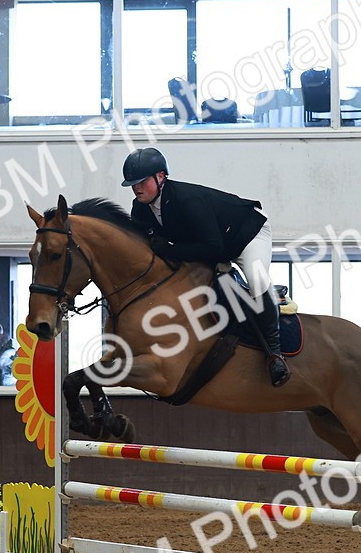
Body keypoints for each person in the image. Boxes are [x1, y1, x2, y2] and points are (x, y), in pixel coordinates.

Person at [122, 147, 290, 387]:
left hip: (246, 233)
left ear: (161, 177)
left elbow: (214, 249)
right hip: (212, 243)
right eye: (132, 183)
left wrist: (169, 249)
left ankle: (275, 355)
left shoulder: (187, 201)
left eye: (141, 181)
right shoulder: (140, 209)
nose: (136, 188)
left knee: (257, 280)